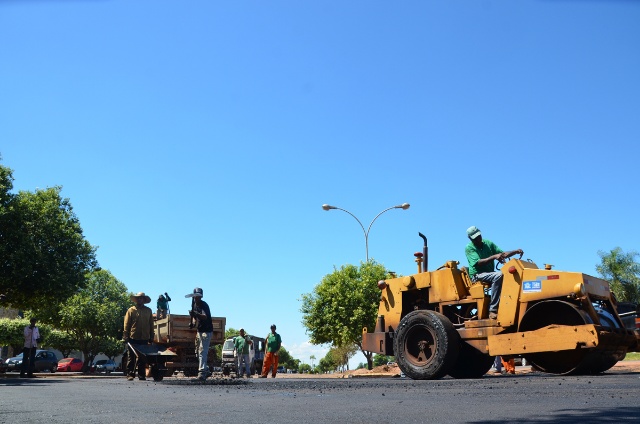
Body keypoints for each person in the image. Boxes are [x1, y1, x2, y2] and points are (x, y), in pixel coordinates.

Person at [465, 226, 523, 320]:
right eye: (475, 237)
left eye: (479, 236)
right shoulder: (469, 248)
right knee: (498, 275)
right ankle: (493, 310)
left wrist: (515, 251)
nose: (478, 238)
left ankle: (506, 305)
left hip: (489, 274)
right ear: (470, 238)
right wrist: (494, 257)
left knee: (507, 275)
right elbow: (478, 263)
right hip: (477, 275)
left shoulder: (488, 243)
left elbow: (502, 254)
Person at [123, 292, 155, 381]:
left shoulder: (148, 311)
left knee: (142, 358)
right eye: (138, 298)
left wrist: (152, 336)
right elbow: (126, 323)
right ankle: (130, 374)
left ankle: (142, 375)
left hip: (144, 338)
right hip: (133, 337)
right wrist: (125, 335)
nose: (140, 300)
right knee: (131, 357)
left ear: (144, 300)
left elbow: (151, 325)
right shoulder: (131, 310)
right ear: (136, 300)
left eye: (141, 298)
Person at [186, 287, 213, 381]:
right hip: (199, 331)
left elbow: (205, 317)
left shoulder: (204, 305)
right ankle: (206, 369)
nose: (197, 298)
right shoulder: (194, 305)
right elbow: (194, 318)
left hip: (206, 331)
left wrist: (196, 314)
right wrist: (193, 323)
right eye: (195, 296)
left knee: (202, 351)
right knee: (198, 352)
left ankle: (202, 373)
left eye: (198, 296)